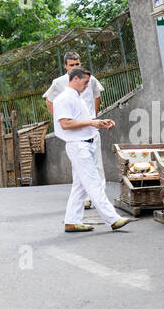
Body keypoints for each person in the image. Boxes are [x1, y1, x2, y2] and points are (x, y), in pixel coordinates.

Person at [56, 67, 130, 233]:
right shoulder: (64, 98)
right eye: (85, 82)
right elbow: (65, 124)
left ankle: (71, 221)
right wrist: (91, 123)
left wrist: (98, 122)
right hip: (78, 145)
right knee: (94, 183)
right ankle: (113, 219)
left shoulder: (77, 97)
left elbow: (82, 121)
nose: (87, 86)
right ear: (75, 79)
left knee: (80, 186)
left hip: (85, 143)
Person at [45, 51, 106, 207]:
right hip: (74, 131)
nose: (74, 67)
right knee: (79, 165)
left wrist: (92, 116)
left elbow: (97, 95)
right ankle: (85, 198)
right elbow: (49, 101)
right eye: (71, 65)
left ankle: (99, 198)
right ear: (65, 66)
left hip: (91, 127)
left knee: (97, 163)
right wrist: (61, 120)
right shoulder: (59, 82)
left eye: (77, 64)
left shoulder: (90, 79)